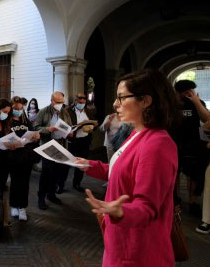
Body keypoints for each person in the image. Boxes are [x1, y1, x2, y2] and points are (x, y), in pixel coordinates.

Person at [76, 70, 181, 266]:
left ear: (145, 101)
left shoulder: (157, 144)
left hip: (138, 251)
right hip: (120, 240)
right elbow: (123, 170)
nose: (115, 104)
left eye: (121, 97)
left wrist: (120, 211)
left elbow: (147, 207)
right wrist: (90, 165)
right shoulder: (137, 133)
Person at [173, 80, 210, 217]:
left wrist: (196, 101)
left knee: (195, 175)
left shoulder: (197, 103)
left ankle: (193, 202)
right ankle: (175, 199)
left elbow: (208, 120)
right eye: (186, 92)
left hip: (193, 144)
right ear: (178, 92)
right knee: (174, 173)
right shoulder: (171, 105)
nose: (189, 94)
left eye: (192, 91)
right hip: (174, 144)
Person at [33, 91, 71, 209]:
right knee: (46, 172)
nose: (60, 104)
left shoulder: (64, 112)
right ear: (52, 101)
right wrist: (48, 129)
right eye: (57, 102)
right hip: (47, 145)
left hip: (60, 144)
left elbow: (69, 126)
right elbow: (35, 128)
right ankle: (41, 198)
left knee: (57, 172)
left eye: (62, 102)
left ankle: (51, 194)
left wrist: (70, 132)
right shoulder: (43, 111)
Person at [8, 96, 40, 221]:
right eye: (16, 108)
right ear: (11, 108)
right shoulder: (8, 121)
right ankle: (14, 205)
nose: (19, 110)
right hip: (14, 155)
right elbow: (5, 136)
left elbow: (32, 133)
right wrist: (15, 142)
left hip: (27, 155)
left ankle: (22, 207)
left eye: (21, 108)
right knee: (15, 181)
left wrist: (35, 136)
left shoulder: (25, 120)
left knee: (25, 182)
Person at [66, 93, 97, 192]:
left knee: (81, 164)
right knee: (66, 163)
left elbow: (93, 122)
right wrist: (74, 127)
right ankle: (60, 184)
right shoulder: (68, 111)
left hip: (85, 140)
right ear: (75, 101)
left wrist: (92, 127)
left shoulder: (89, 110)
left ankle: (77, 183)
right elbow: (65, 125)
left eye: (83, 102)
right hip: (73, 140)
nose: (82, 104)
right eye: (80, 102)